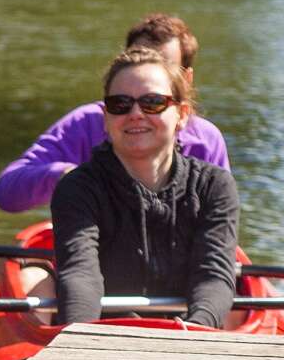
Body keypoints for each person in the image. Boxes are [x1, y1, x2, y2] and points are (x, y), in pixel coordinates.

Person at [48, 46, 238, 327]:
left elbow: (213, 276)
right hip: (107, 335)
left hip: (190, 333)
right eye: (120, 104)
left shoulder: (215, 186)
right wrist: (81, 340)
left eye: (152, 102)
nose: (135, 113)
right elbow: (80, 275)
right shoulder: (76, 188)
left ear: (182, 114)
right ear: (106, 117)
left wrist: (196, 333)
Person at [0, 13, 230, 213]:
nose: (136, 114)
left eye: (162, 66)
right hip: (90, 250)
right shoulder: (85, 123)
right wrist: (70, 176)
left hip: (180, 261)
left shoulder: (206, 141)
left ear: (186, 81)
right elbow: (7, 192)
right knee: (31, 271)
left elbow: (217, 222)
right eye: (137, 61)